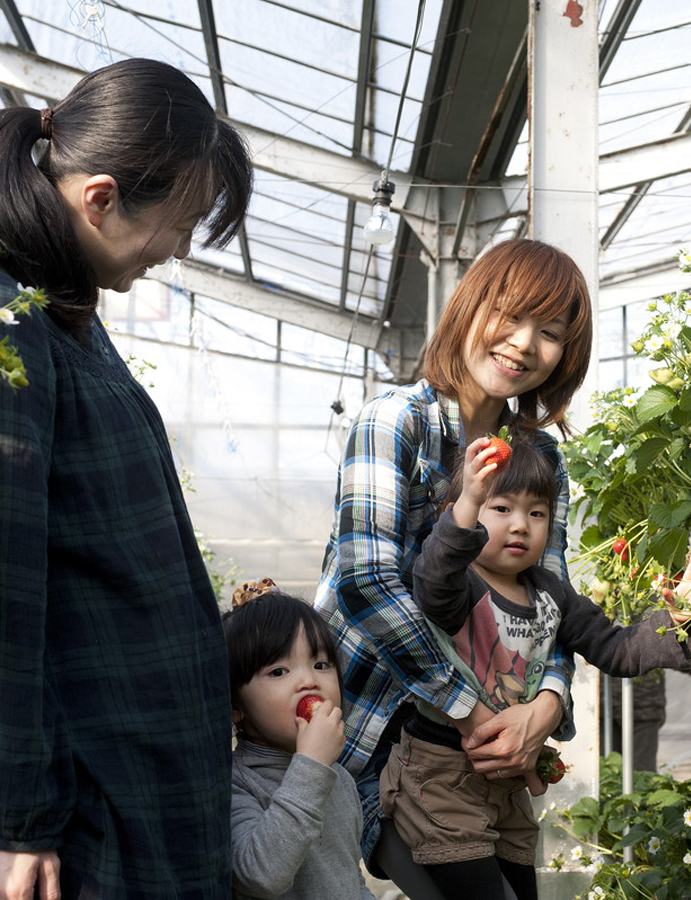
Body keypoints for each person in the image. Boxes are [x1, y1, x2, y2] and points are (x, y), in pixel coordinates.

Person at [0, 59, 252, 899]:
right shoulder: (14, 326)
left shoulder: (64, 311)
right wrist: (21, 816)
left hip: (141, 786)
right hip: (93, 808)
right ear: (100, 198)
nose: (179, 249)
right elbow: (8, 583)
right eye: (181, 224)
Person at [314, 238, 594, 893]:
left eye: (549, 332)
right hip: (367, 725)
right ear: (467, 309)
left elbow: (549, 601)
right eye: (511, 315)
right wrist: (472, 710)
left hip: (476, 752)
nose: (525, 343)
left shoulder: (542, 460)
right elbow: (365, 582)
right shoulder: (397, 423)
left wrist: (548, 705)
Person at [391, 438, 691, 899]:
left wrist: (674, 621)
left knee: (523, 891)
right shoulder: (459, 584)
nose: (521, 525)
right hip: (443, 773)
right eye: (500, 508)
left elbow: (615, 648)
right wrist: (466, 503)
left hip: (508, 781)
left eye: (537, 513)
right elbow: (432, 577)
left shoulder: (552, 593)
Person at [222, 579, 375, 900]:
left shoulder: (338, 777)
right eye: (278, 672)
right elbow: (260, 876)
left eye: (321, 665)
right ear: (236, 705)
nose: (309, 681)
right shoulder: (235, 784)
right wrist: (312, 765)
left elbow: (346, 877)